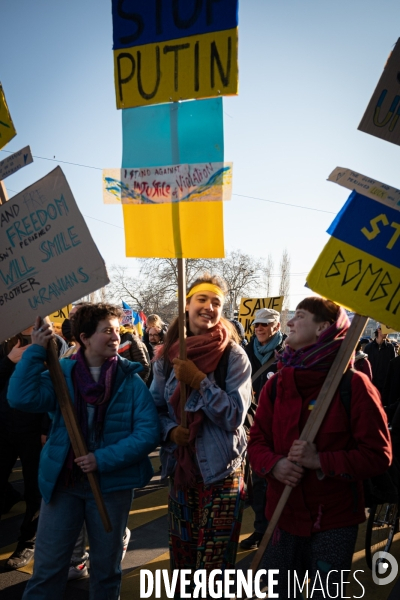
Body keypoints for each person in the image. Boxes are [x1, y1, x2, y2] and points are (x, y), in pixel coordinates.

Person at [7, 303, 160, 600]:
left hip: (112, 486)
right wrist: (37, 349)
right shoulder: (60, 374)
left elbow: (147, 433)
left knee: (106, 571)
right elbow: (20, 397)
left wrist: (100, 459)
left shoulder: (130, 380)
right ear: (84, 338)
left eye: (117, 330)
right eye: (107, 331)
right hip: (64, 485)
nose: (116, 336)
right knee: (48, 569)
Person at [248, 297, 392, 598]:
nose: (289, 322)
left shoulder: (354, 386)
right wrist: (274, 465)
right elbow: (257, 440)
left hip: (333, 523)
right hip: (282, 518)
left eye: (299, 316)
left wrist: (322, 461)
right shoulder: (277, 384)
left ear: (323, 328)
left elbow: (379, 455)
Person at [150, 275, 252, 594]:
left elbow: (234, 415)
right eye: (202, 300)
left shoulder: (233, 356)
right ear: (187, 305)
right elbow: (153, 409)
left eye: (217, 303)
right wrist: (170, 431)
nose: (209, 308)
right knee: (183, 564)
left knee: (213, 569)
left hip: (222, 472)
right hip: (181, 471)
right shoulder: (167, 357)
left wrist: (200, 382)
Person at [0, 326, 68, 570]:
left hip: (33, 429)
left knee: (34, 489)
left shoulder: (53, 342)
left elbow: (56, 384)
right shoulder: (5, 341)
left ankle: (28, 541)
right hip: (4, 425)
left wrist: (45, 427)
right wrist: (8, 361)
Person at [240, 308, 285, 550]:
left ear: (276, 327)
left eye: (265, 325)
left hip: (280, 428)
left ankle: (280, 534)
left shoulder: (287, 353)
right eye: (257, 324)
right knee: (258, 483)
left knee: (277, 483)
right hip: (254, 427)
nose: (259, 328)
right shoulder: (246, 352)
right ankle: (260, 530)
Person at [364, 327, 395, 395]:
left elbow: (393, 367)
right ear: (378, 330)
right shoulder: (368, 347)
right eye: (385, 330)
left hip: (385, 385)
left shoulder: (390, 348)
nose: (387, 333)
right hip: (371, 384)